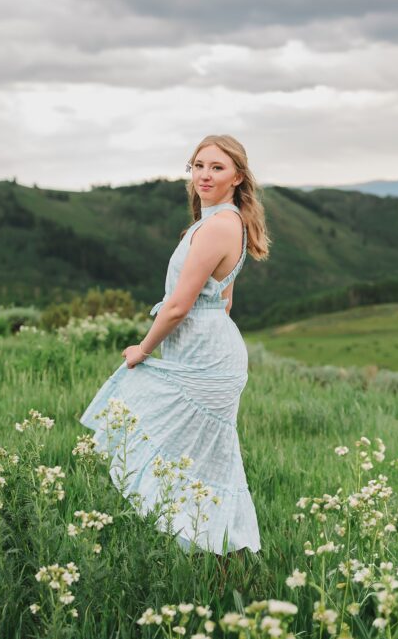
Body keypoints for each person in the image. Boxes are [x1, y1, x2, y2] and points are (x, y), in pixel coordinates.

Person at [80, 134, 270, 555]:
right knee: (196, 458)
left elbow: (179, 306)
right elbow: (225, 298)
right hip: (209, 347)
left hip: (207, 358)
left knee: (180, 447)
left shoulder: (219, 225)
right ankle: (211, 549)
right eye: (198, 165)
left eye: (217, 167)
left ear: (237, 176)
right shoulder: (222, 222)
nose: (204, 174)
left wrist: (142, 350)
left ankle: (216, 550)